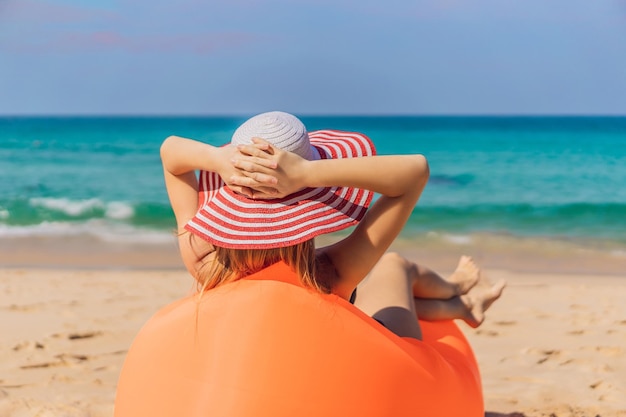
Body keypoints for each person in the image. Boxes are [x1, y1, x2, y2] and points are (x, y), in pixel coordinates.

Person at [114, 111, 504, 417]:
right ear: (309, 205)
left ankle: (457, 303)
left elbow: (170, 153)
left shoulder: (202, 259)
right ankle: (456, 295)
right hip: (399, 375)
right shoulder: (331, 272)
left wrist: (219, 159)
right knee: (393, 266)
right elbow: (415, 170)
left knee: (377, 284)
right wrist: (306, 174)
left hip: (307, 356)